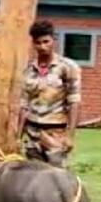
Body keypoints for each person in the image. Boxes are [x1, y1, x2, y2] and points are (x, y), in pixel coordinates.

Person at [18, 20, 81, 168]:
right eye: (38, 43)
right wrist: (17, 137)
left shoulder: (68, 67)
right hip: (32, 134)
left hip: (55, 133)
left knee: (56, 177)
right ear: (33, 43)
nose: (42, 47)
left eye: (46, 41)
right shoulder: (28, 70)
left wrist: (70, 136)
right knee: (32, 178)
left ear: (54, 40)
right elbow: (24, 104)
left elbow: (75, 102)